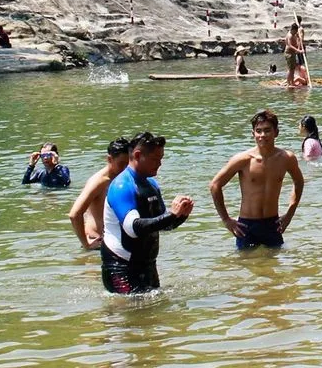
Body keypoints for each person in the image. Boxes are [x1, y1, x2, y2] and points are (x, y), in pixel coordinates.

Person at [101, 132, 194, 294]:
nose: (160, 164)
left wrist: (181, 215)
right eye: (155, 159)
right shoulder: (121, 186)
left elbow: (163, 225)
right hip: (121, 266)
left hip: (147, 263)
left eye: (161, 158)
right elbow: (133, 228)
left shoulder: (151, 183)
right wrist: (171, 215)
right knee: (129, 315)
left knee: (153, 314)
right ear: (137, 155)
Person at [209, 109, 305, 250]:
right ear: (253, 133)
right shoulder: (243, 159)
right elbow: (215, 185)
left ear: (276, 132)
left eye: (267, 130)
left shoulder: (286, 158)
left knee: (274, 266)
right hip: (246, 226)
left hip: (273, 224)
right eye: (258, 131)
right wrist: (226, 220)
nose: (262, 135)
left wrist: (290, 214)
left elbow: (299, 182)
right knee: (245, 266)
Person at [68, 137, 131, 250]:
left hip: (115, 241)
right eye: (121, 163)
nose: (125, 168)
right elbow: (74, 214)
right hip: (97, 243)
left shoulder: (123, 178)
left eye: (128, 163)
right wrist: (86, 244)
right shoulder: (99, 182)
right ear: (109, 159)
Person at [283, 23, 306, 87]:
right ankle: (288, 83)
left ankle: (292, 82)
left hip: (293, 53)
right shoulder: (290, 35)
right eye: (295, 31)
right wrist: (298, 50)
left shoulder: (294, 33)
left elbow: (298, 39)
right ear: (293, 29)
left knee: (292, 69)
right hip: (289, 54)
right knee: (290, 69)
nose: (296, 32)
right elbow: (289, 45)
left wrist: (299, 38)